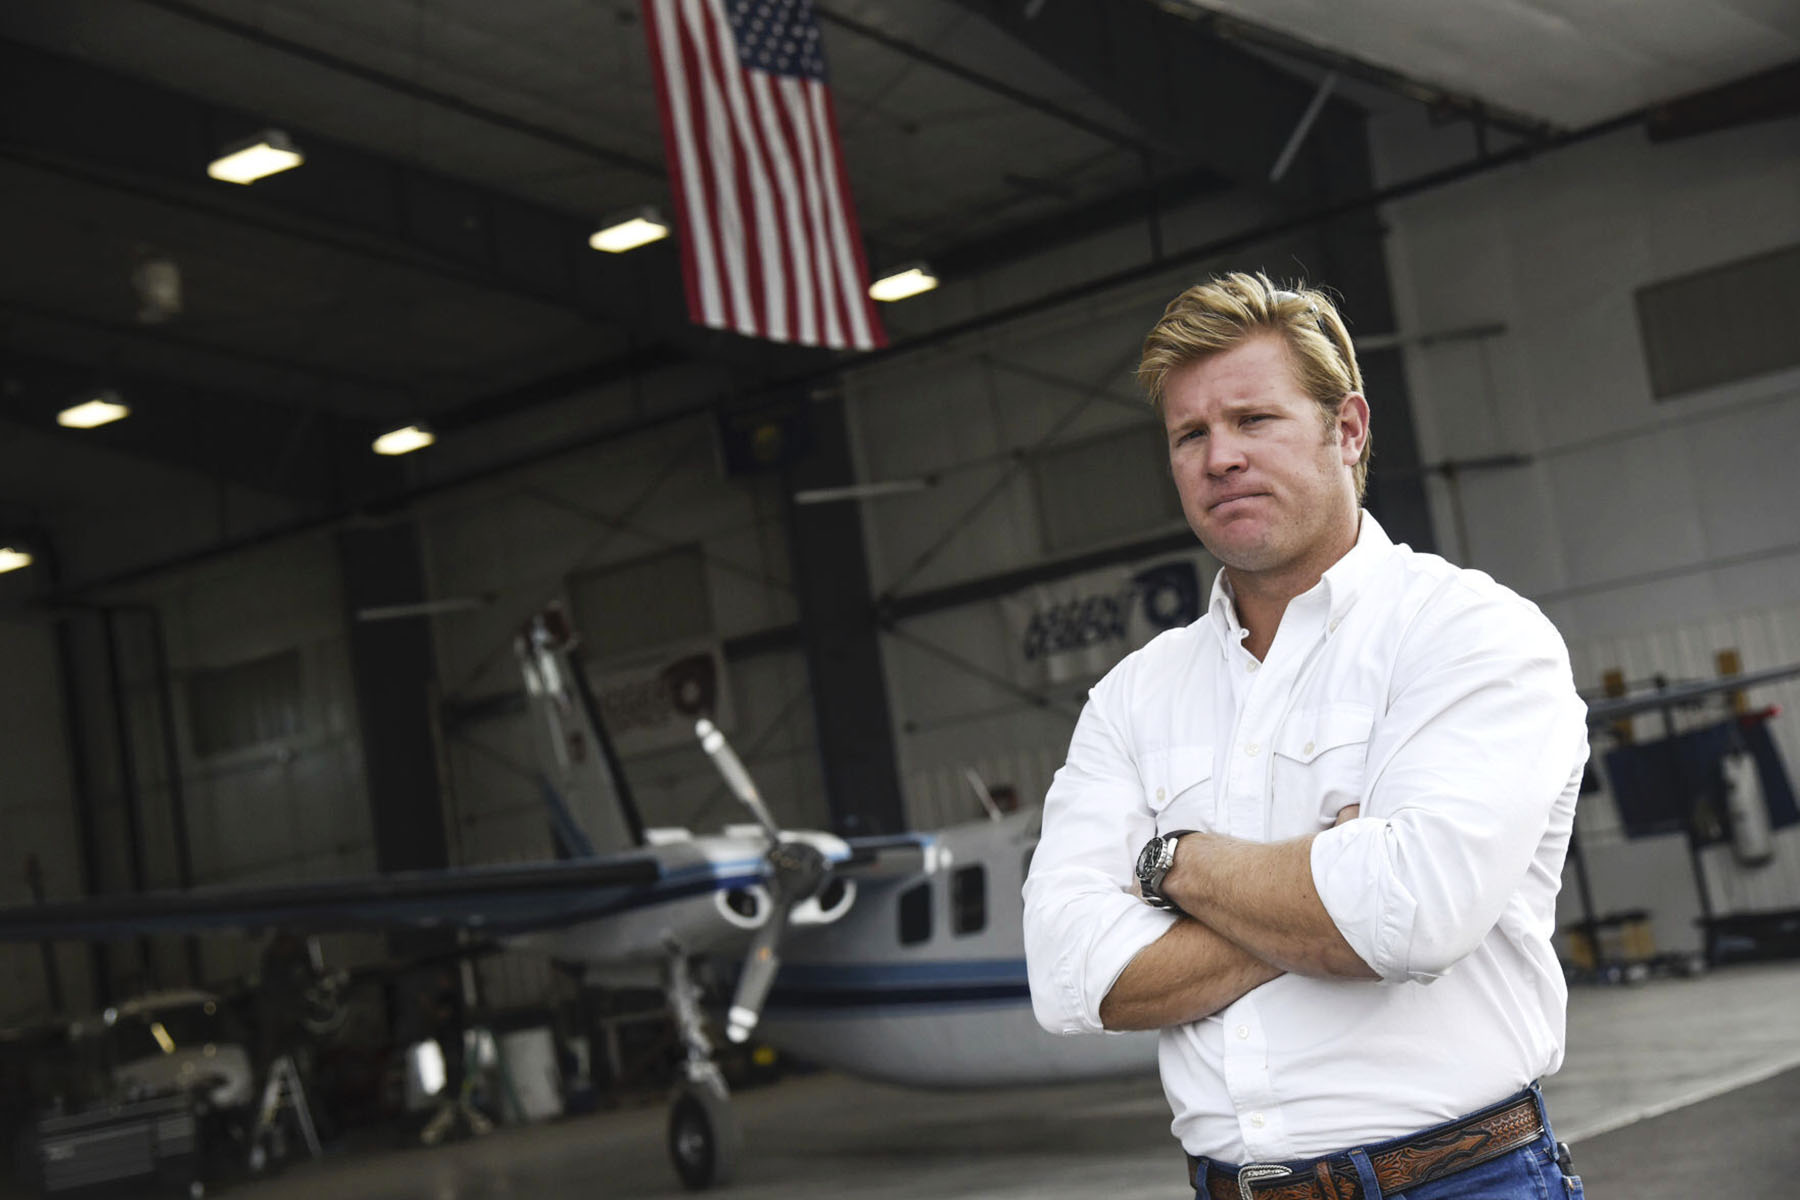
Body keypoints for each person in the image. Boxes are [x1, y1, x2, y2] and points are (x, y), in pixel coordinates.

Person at [1022, 272, 1590, 1200]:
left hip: (1461, 1182)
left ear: (1349, 430)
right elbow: (1070, 977)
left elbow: (1411, 917)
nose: (1220, 458)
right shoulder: (1132, 697)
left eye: (1254, 420)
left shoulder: (1471, 633)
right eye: (1191, 435)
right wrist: (1329, 885)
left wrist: (1174, 868)